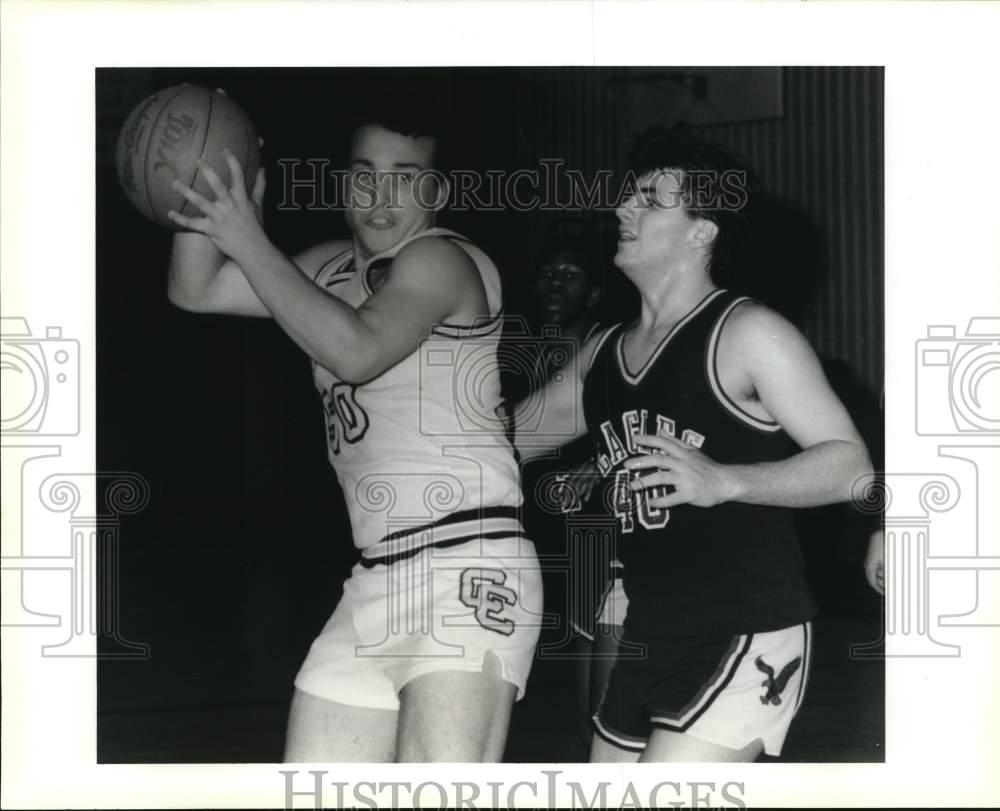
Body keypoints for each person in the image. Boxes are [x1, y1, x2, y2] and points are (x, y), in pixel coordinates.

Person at [165, 97, 541, 762]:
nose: (380, 193)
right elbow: (195, 289)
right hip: (374, 578)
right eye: (364, 172)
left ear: (438, 191)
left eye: (405, 175)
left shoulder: (443, 260)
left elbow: (358, 349)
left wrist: (249, 236)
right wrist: (216, 168)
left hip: (468, 563)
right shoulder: (327, 268)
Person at [513, 128, 873, 763]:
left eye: (650, 200)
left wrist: (726, 480)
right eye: (628, 197)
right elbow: (505, 440)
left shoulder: (748, 332)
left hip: (748, 631)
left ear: (702, 231)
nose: (624, 208)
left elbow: (849, 465)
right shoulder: (603, 352)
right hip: (651, 633)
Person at [510, 229, 629, 747]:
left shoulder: (611, 350)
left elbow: (644, 426)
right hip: (540, 539)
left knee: (603, 708)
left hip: (601, 536)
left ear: (594, 294)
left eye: (571, 276)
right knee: (575, 707)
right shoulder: (511, 351)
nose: (556, 284)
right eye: (548, 274)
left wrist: (600, 465)